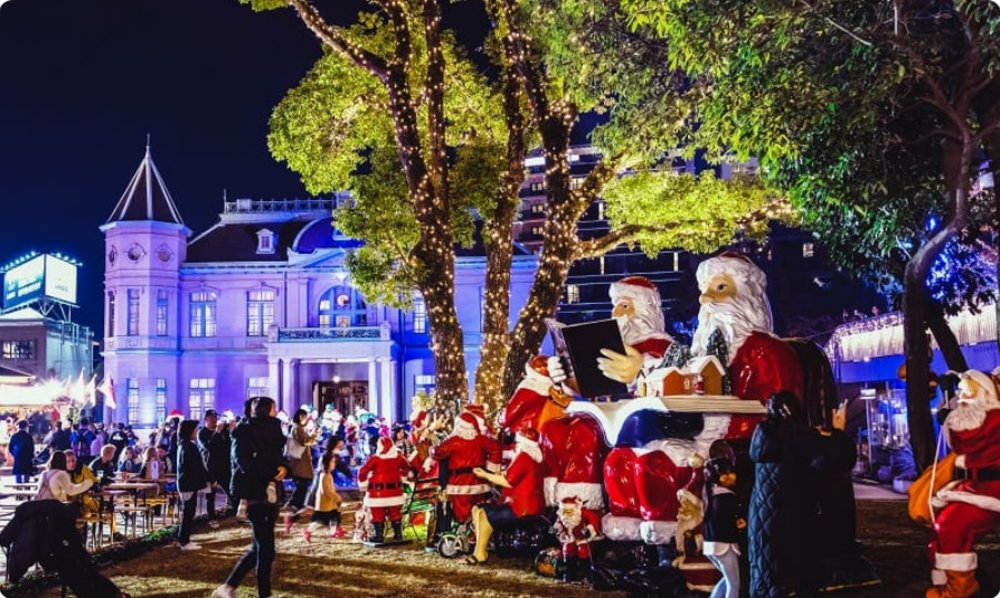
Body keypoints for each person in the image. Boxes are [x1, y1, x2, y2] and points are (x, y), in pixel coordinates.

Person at [922, 370, 1000, 598]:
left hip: (993, 488)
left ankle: (960, 588)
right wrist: (948, 408)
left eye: (969, 392)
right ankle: (949, 582)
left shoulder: (994, 418)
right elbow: (960, 439)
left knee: (952, 524)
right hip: (974, 486)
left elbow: (972, 438)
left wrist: (949, 416)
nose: (963, 397)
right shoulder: (974, 416)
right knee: (939, 527)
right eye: (961, 391)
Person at [212, 396, 288, 598]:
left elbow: (279, 457)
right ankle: (264, 593)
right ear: (265, 410)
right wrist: (271, 473)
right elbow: (243, 463)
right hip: (253, 493)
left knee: (259, 546)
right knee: (265, 548)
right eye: (273, 408)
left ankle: (228, 587)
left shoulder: (274, 431)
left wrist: (283, 469)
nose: (276, 412)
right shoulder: (243, 432)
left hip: (271, 492)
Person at [467, 428, 546, 565]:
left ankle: (480, 553)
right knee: (477, 509)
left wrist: (485, 475)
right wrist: (494, 474)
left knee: (484, 513)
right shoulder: (534, 458)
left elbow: (508, 481)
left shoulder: (524, 457)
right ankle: (481, 548)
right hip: (527, 505)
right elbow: (512, 475)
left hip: (521, 507)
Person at [702, 457, 746, 598]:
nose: (733, 476)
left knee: (727, 580)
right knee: (734, 584)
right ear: (721, 477)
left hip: (711, 545)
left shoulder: (711, 493)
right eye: (728, 473)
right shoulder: (726, 496)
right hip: (724, 544)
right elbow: (730, 522)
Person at [358, 436, 411, 543]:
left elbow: (363, 471)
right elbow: (406, 467)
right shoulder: (399, 457)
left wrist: (363, 483)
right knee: (396, 513)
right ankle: (398, 535)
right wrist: (402, 476)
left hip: (377, 494)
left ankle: (379, 536)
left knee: (377, 514)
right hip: (395, 492)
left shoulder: (375, 459)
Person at [177, 419, 210, 551]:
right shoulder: (189, 446)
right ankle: (184, 541)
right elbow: (197, 466)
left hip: (187, 483)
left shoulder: (184, 445)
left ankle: (184, 539)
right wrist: (210, 479)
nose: (196, 432)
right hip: (188, 483)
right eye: (195, 430)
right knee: (188, 512)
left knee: (188, 512)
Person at [199, 409, 234, 522]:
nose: (214, 421)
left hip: (224, 466)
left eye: (215, 418)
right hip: (211, 468)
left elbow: (229, 446)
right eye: (212, 418)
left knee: (231, 490)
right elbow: (209, 447)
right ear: (206, 420)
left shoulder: (223, 432)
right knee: (211, 495)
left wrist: (229, 431)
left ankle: (234, 512)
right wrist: (217, 433)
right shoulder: (202, 433)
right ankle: (211, 517)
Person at [303, 452, 344, 542]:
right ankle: (308, 531)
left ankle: (334, 532)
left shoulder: (327, 475)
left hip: (330, 504)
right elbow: (327, 491)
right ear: (326, 463)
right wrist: (336, 497)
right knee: (320, 521)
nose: (334, 464)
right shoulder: (325, 476)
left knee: (334, 517)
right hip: (324, 505)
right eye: (332, 462)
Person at [286, 408, 317, 511]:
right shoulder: (298, 428)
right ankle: (294, 503)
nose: (307, 420)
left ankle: (296, 503)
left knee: (302, 483)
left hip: (301, 460)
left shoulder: (298, 428)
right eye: (305, 417)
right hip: (300, 461)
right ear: (300, 417)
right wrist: (314, 435)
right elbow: (304, 442)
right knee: (302, 483)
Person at [64, 450, 100, 518]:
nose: (71, 464)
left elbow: (93, 481)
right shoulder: (61, 472)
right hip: (66, 502)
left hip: (83, 501)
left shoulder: (83, 468)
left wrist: (94, 486)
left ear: (76, 459)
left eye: (73, 460)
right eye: (68, 461)